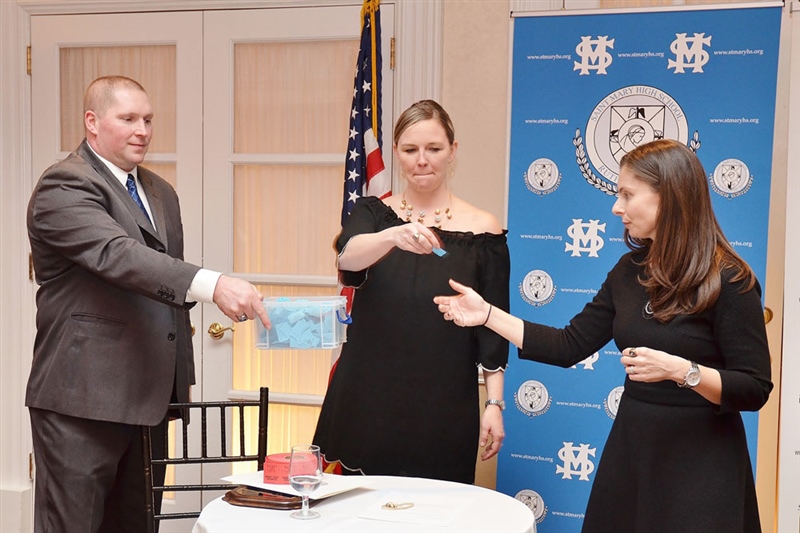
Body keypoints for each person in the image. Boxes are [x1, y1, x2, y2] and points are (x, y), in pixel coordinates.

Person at [434, 139, 773, 532]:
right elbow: (568, 344)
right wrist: (488, 315)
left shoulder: (729, 279)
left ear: (669, 196)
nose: (616, 207)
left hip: (702, 468)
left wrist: (683, 371)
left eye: (628, 194)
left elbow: (754, 388)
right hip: (633, 455)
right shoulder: (629, 270)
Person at [26, 75, 269, 533]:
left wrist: (179, 381)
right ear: (92, 122)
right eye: (128, 119)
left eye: (148, 120)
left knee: (138, 526)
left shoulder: (160, 191)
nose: (142, 131)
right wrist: (213, 284)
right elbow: (118, 255)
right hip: (82, 402)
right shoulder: (65, 184)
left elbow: (159, 285)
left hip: (150, 399)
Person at [312, 100, 510, 484]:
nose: (422, 160)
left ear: (453, 151)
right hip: (367, 395)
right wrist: (392, 235)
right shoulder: (373, 213)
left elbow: (494, 326)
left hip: (444, 401)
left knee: (436, 508)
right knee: (358, 506)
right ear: (397, 153)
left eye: (434, 148)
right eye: (410, 149)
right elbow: (347, 257)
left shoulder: (483, 229)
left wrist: (495, 403)